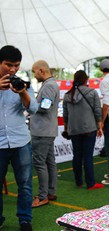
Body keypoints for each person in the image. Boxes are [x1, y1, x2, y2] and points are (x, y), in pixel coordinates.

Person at [0, 45, 38, 231]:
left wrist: (22, 92)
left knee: (25, 185)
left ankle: (25, 220)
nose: (13, 69)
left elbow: (34, 109)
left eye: (16, 65)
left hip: (21, 141)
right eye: (9, 65)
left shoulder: (23, 83)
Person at [62, 70, 104, 190]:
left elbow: (65, 115)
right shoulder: (92, 93)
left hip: (73, 129)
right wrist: (99, 126)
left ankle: (78, 181)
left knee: (77, 156)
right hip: (89, 128)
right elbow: (97, 111)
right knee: (88, 156)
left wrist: (66, 129)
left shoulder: (67, 95)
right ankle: (90, 183)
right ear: (86, 80)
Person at [30, 60, 60, 208]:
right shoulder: (51, 84)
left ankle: (42, 196)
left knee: (40, 163)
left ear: (41, 71)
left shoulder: (48, 86)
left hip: (42, 131)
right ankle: (50, 192)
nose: (34, 75)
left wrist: (29, 104)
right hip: (47, 130)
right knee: (49, 162)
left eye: (34, 71)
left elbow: (45, 107)